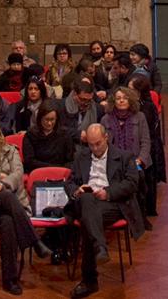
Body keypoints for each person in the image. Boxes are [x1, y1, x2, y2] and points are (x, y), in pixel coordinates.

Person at [0, 105, 54, 295]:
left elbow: (17, 174)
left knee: (7, 222)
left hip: (6, 203)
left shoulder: (11, 150)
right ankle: (34, 241)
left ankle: (10, 280)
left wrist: (2, 184)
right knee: (6, 195)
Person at [64, 123, 145, 298]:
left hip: (112, 203)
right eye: (91, 145)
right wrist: (76, 191)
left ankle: (90, 281)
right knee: (86, 200)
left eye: (98, 144)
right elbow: (69, 182)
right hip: (87, 200)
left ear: (106, 138)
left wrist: (107, 193)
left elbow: (132, 183)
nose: (94, 148)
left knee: (87, 221)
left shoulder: (124, 156)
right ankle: (100, 247)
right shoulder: (81, 156)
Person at [129, 73, 165, 216]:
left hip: (148, 146)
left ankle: (147, 210)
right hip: (136, 146)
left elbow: (147, 134)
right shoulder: (132, 105)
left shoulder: (147, 107)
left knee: (148, 178)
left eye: (131, 89)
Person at [23, 104, 78, 173]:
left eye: (52, 120)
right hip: (38, 172)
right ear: (40, 119)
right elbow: (29, 161)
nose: (49, 123)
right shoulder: (30, 135)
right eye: (46, 119)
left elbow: (70, 160)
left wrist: (58, 170)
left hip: (60, 173)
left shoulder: (65, 135)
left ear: (56, 119)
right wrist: (51, 168)